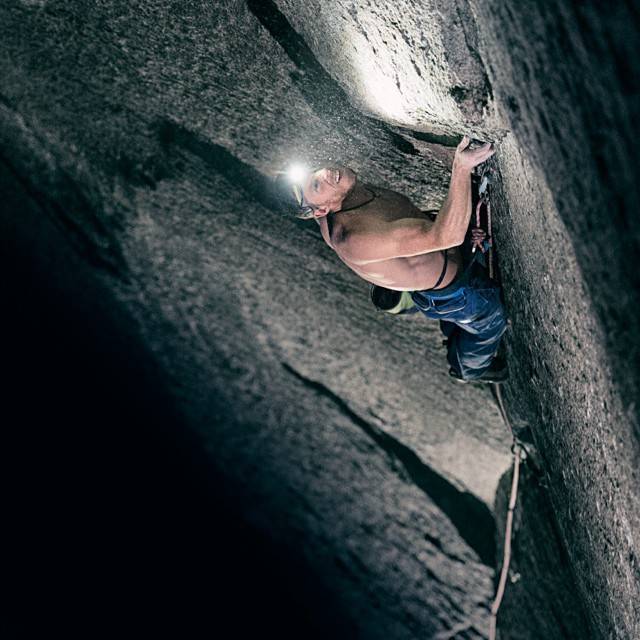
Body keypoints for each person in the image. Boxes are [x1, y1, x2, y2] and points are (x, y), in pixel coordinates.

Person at [287, 136, 508, 383]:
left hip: (441, 260)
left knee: (458, 321)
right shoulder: (354, 238)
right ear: (320, 211)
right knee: (491, 321)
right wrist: (462, 168)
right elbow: (447, 236)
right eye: (317, 185)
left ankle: (454, 333)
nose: (325, 172)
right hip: (452, 293)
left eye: (314, 172)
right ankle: (469, 370)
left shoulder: (343, 195)